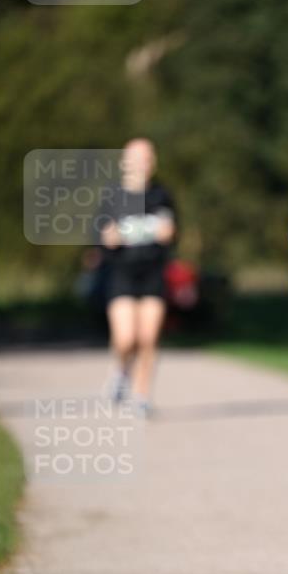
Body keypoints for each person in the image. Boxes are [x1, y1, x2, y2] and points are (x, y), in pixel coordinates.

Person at [97, 139, 177, 417]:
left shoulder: (161, 195)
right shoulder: (111, 196)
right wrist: (109, 238)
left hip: (153, 273)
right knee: (125, 338)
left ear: (152, 163)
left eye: (146, 158)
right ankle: (120, 372)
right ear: (124, 162)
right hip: (121, 273)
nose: (141, 164)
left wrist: (168, 232)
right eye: (135, 158)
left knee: (148, 337)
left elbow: (171, 231)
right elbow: (100, 237)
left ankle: (142, 396)